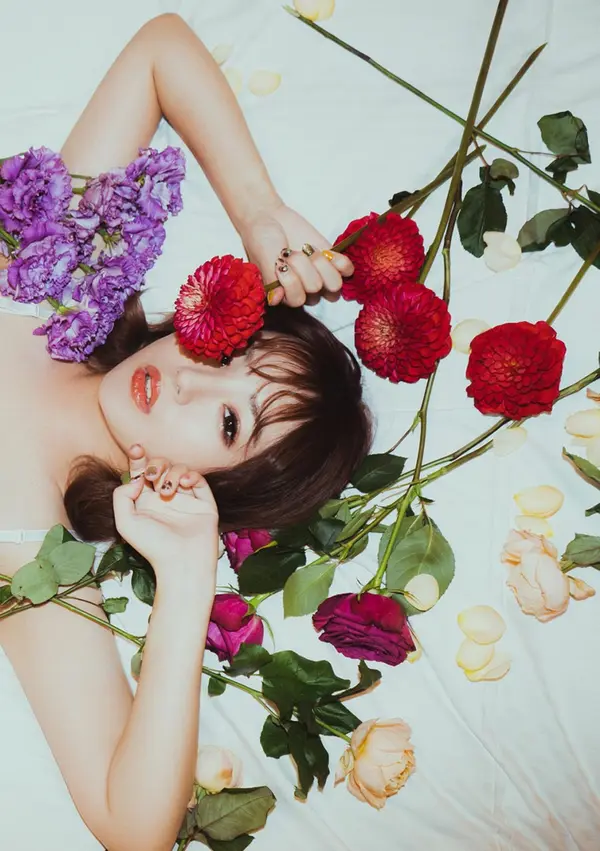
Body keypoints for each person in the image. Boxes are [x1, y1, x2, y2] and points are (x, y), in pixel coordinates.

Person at [0, 14, 372, 851]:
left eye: (230, 420)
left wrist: (187, 577)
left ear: (223, 484)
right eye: (230, 349)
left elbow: (135, 825)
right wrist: (258, 212)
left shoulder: (31, 550)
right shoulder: (54, 280)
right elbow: (161, 48)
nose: (190, 379)